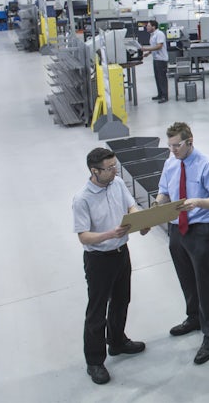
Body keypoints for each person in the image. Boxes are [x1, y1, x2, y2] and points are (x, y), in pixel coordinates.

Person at [72, 148, 149, 385]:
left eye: (115, 165)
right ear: (95, 171)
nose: (115, 170)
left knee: (121, 300)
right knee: (96, 312)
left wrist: (140, 220)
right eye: (109, 167)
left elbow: (131, 207)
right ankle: (94, 362)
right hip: (98, 260)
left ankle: (117, 341)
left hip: (121, 254)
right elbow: (84, 236)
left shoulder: (116, 183)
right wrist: (108, 234)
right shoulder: (82, 198)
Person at [155, 122, 209, 365]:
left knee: (204, 282)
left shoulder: (208, 165)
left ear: (190, 141)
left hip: (199, 229)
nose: (173, 150)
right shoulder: (170, 163)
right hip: (176, 228)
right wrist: (159, 202)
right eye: (170, 146)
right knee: (185, 277)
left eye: (177, 145)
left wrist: (197, 202)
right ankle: (193, 317)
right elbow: (164, 190)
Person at [142, 20, 169, 103]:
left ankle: (165, 96)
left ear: (154, 27)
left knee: (162, 78)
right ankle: (160, 94)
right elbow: (154, 46)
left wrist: (146, 48)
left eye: (149, 26)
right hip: (156, 59)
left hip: (161, 59)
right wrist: (148, 53)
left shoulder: (159, 34)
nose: (147, 27)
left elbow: (159, 46)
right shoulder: (152, 35)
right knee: (157, 77)